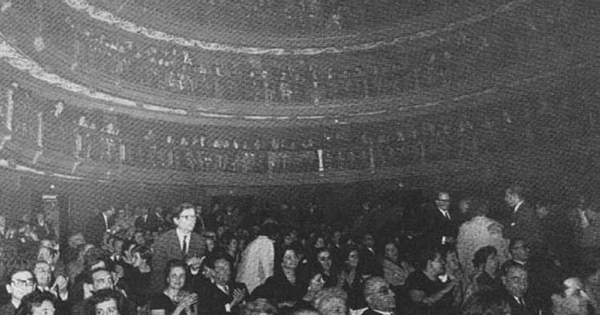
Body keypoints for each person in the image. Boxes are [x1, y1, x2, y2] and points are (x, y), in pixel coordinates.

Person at [150, 203, 206, 293]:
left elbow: (198, 277)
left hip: (189, 292)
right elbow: (158, 271)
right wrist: (186, 264)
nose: (192, 221)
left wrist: (195, 269)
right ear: (176, 220)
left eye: (194, 217)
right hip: (166, 291)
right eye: (187, 217)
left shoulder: (200, 241)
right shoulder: (163, 241)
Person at [456, 197, 510, 278]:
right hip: (495, 268)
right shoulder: (496, 225)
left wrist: (466, 270)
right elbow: (503, 249)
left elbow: (461, 252)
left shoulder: (465, 228)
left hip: (474, 271)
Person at [405, 247, 458, 315]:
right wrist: (446, 289)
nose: (443, 262)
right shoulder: (415, 278)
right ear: (429, 263)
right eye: (439, 260)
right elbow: (422, 303)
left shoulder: (440, 281)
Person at [236, 222, 278, 294]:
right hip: (253, 284)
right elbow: (267, 268)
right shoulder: (266, 243)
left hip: (244, 282)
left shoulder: (255, 242)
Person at [503, 185, 543, 255]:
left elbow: (518, 232)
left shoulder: (524, 210)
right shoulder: (521, 209)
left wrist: (502, 231)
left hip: (529, 250)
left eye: (507, 196)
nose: (505, 199)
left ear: (515, 196)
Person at [337, 244, 366, 311]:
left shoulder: (362, 271)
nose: (356, 259)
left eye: (357, 256)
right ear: (346, 259)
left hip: (362, 307)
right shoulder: (341, 273)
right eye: (352, 256)